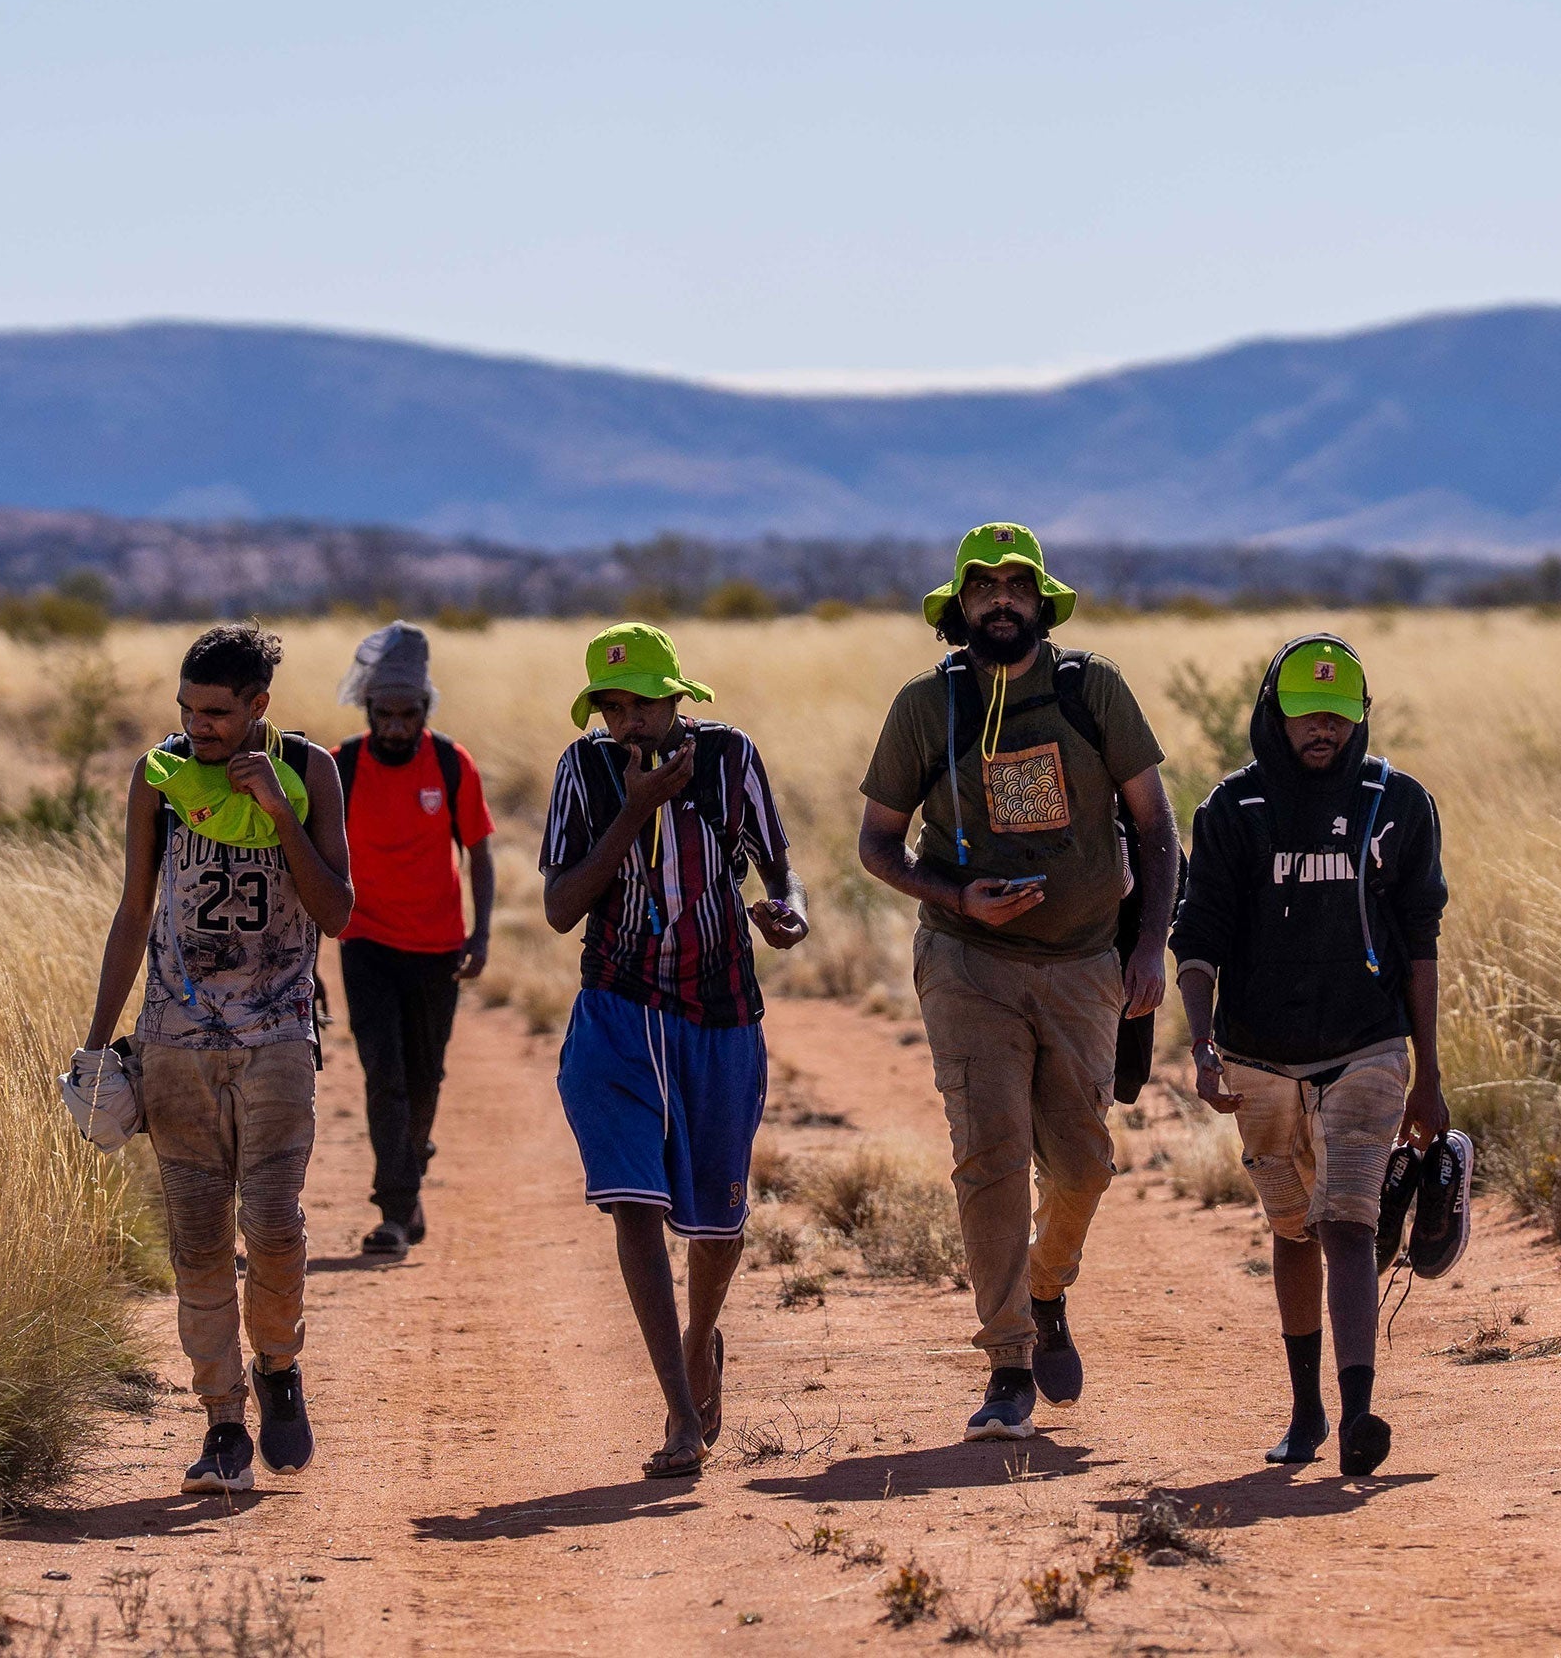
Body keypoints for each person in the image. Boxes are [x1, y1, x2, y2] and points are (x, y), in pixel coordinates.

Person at [858, 524, 1179, 1441]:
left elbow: (1157, 829)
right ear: (958, 606)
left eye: (1017, 586)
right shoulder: (927, 706)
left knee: (1083, 1167)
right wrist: (957, 895)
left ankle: (1045, 1288)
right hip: (968, 963)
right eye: (982, 587)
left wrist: (1149, 947)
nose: (1001, 600)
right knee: (990, 1154)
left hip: (1085, 964)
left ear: (1042, 602)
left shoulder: (1092, 689)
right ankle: (1007, 1364)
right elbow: (877, 843)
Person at [79, 625, 353, 1494]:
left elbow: (338, 911)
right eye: (188, 710)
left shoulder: (310, 771)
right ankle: (223, 1423)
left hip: (278, 1042)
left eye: (217, 713)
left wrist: (279, 811)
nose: (198, 726)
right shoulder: (158, 777)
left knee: (272, 1225)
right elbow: (134, 910)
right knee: (197, 1242)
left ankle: (278, 1364)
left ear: (258, 706)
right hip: (175, 1045)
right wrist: (98, 1042)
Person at [1171, 634, 1450, 1478]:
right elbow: (1198, 938)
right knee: (1293, 1229)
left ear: (1359, 716)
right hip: (1257, 1057)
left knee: (1348, 1222)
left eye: (1336, 713)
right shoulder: (1234, 810)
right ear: (1273, 715)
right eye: (1304, 713)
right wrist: (1202, 1043)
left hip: (1367, 1047)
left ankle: (1360, 1412)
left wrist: (1429, 1076)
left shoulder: (1398, 804)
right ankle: (1306, 1411)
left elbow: (1421, 944)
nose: (1321, 728)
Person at [541, 622, 808, 1479]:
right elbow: (560, 906)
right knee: (634, 1205)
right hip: (616, 1009)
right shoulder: (584, 774)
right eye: (613, 707)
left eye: (645, 704)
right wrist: (633, 811)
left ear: (678, 700)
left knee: (719, 1227)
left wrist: (789, 913)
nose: (630, 722)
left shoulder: (729, 759)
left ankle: (700, 1340)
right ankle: (682, 1416)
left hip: (719, 1010)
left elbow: (779, 868)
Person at [332, 622, 497, 1259]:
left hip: (436, 945)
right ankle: (395, 1212)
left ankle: (409, 1166)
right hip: (366, 940)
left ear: (425, 709)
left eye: (408, 714)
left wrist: (480, 934)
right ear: (367, 709)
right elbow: (313, 862)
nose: (396, 727)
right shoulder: (341, 767)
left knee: (425, 1075)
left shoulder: (453, 764)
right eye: (385, 714)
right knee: (385, 1075)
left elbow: (480, 851)